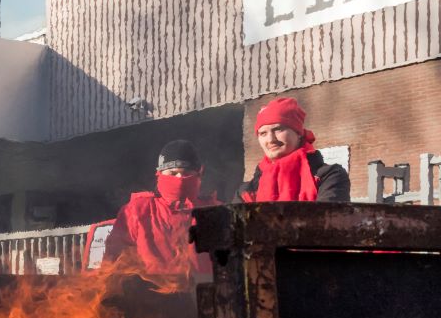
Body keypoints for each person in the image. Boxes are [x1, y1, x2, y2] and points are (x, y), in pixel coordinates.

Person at [103, 140, 218, 275]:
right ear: (160, 174)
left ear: (199, 173)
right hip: (154, 291)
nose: (180, 178)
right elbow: (114, 256)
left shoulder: (214, 210)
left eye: (187, 173)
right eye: (173, 173)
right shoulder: (138, 211)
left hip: (204, 292)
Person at [237, 97, 350, 202]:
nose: (270, 139)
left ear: (298, 133)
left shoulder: (329, 176)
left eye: (278, 129)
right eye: (263, 133)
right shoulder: (247, 191)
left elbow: (327, 220)